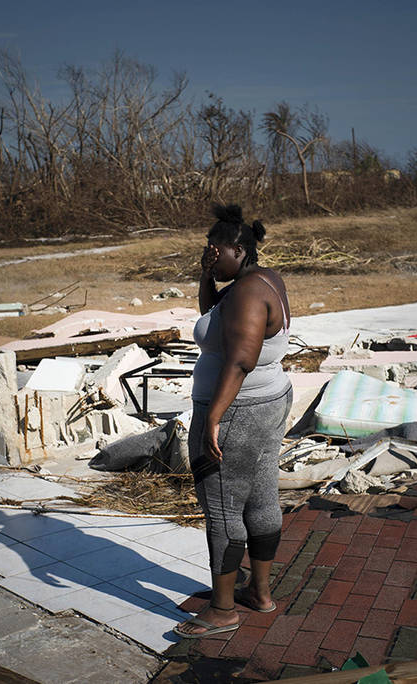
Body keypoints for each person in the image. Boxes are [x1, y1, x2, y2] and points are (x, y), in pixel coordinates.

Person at [173, 204, 293, 639]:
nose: (209, 253)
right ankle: (259, 594)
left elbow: (239, 361)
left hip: (238, 411)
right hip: (268, 402)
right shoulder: (259, 281)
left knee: (223, 509)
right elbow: (214, 320)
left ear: (239, 250)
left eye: (215, 248)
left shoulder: (245, 293)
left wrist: (213, 421)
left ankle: (222, 611)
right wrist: (205, 275)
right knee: (261, 497)